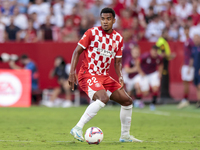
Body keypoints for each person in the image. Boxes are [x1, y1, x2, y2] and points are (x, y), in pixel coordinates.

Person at [68, 7, 142, 142]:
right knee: (103, 98)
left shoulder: (118, 38)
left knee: (127, 101)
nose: (105, 22)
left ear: (114, 20)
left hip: (104, 77)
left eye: (108, 19)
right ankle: (78, 128)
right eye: (103, 19)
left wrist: (120, 75)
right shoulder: (92, 33)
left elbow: (118, 62)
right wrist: (72, 72)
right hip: (88, 74)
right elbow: (76, 52)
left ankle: (125, 136)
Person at [137, 45, 163, 110]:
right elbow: (137, 62)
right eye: (154, 51)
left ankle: (153, 104)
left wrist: (160, 72)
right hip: (145, 74)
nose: (155, 53)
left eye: (156, 51)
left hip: (153, 73)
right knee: (145, 93)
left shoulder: (159, 58)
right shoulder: (145, 56)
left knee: (156, 88)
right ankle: (138, 101)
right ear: (151, 50)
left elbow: (161, 64)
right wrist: (140, 72)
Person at [156, 28, 176, 100]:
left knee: (166, 77)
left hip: (164, 61)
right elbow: (163, 54)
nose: (167, 35)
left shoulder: (163, 41)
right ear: (163, 34)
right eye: (166, 33)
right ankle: (164, 94)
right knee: (164, 78)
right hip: (163, 62)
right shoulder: (162, 42)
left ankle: (166, 93)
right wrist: (171, 56)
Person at [178, 26, 194, 109]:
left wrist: (190, 66)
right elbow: (186, 55)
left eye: (187, 29)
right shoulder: (186, 41)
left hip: (189, 65)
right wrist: (182, 65)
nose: (186, 31)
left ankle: (186, 99)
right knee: (185, 81)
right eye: (184, 29)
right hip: (185, 64)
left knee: (188, 81)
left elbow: (192, 54)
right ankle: (185, 99)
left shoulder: (191, 41)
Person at [189, 34, 200, 108]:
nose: (195, 40)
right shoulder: (193, 48)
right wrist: (189, 68)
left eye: (197, 38)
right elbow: (192, 58)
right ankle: (199, 102)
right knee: (197, 86)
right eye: (194, 38)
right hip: (195, 70)